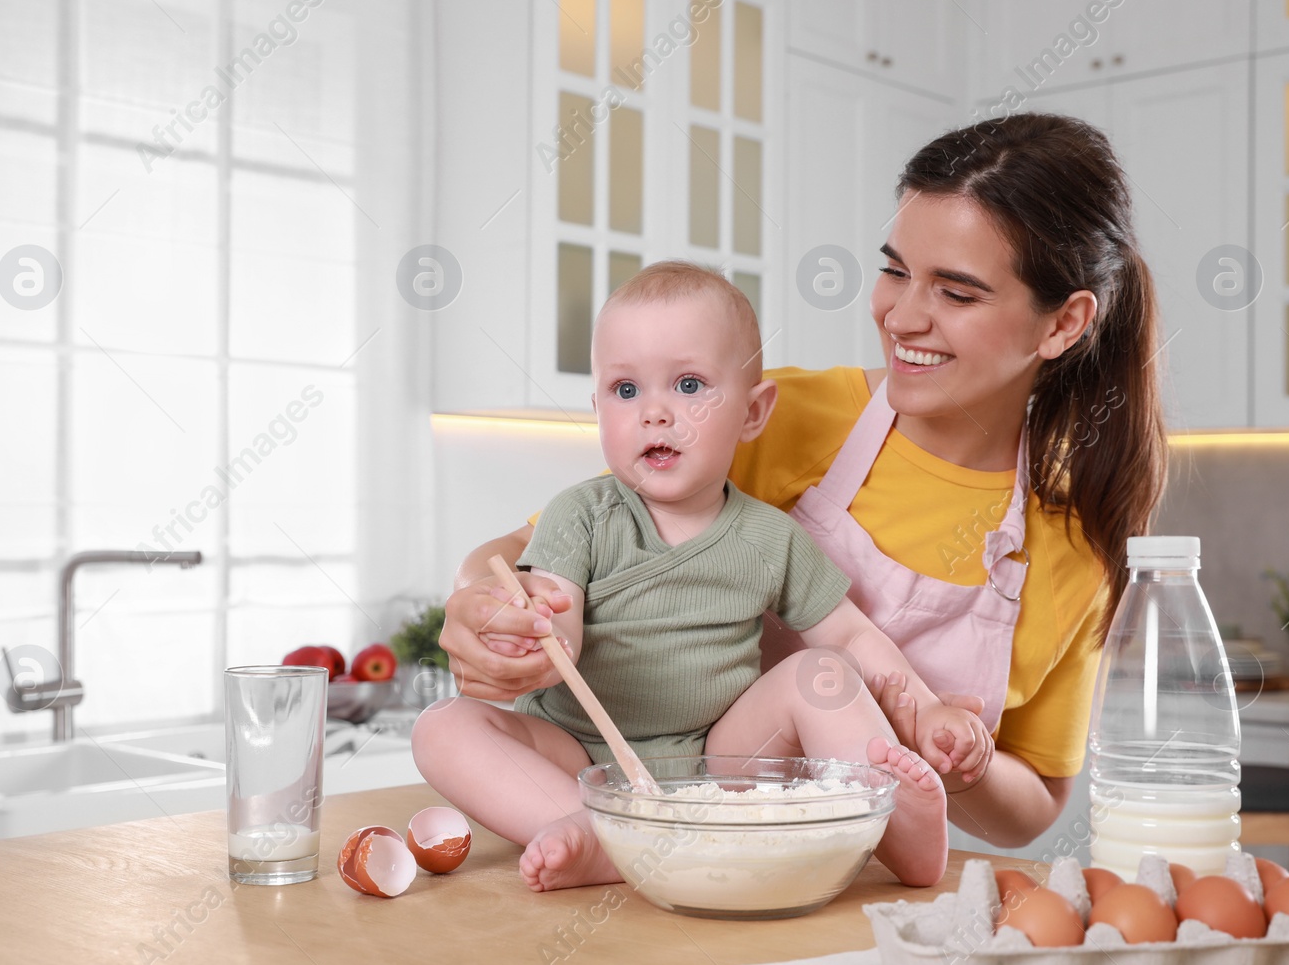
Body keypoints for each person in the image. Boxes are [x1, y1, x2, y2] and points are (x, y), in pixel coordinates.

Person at [438, 113, 1169, 850]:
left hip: (834, 869)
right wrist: (484, 609)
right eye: (895, 270)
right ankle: (619, 841)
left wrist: (953, 754)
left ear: (1063, 324)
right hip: (666, 844)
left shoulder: (1073, 545)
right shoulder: (778, 418)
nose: (902, 315)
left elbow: (1037, 801)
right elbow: (533, 552)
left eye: (957, 292)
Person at [412, 262, 992, 892]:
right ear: (597, 407)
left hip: (719, 761)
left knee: (822, 672)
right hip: (574, 750)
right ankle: (600, 832)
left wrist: (928, 707)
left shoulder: (771, 538)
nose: (654, 413)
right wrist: (528, 632)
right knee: (443, 727)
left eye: (688, 384)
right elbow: (562, 630)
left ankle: (898, 825)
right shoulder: (580, 515)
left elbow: (851, 638)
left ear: (752, 412)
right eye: (626, 391)